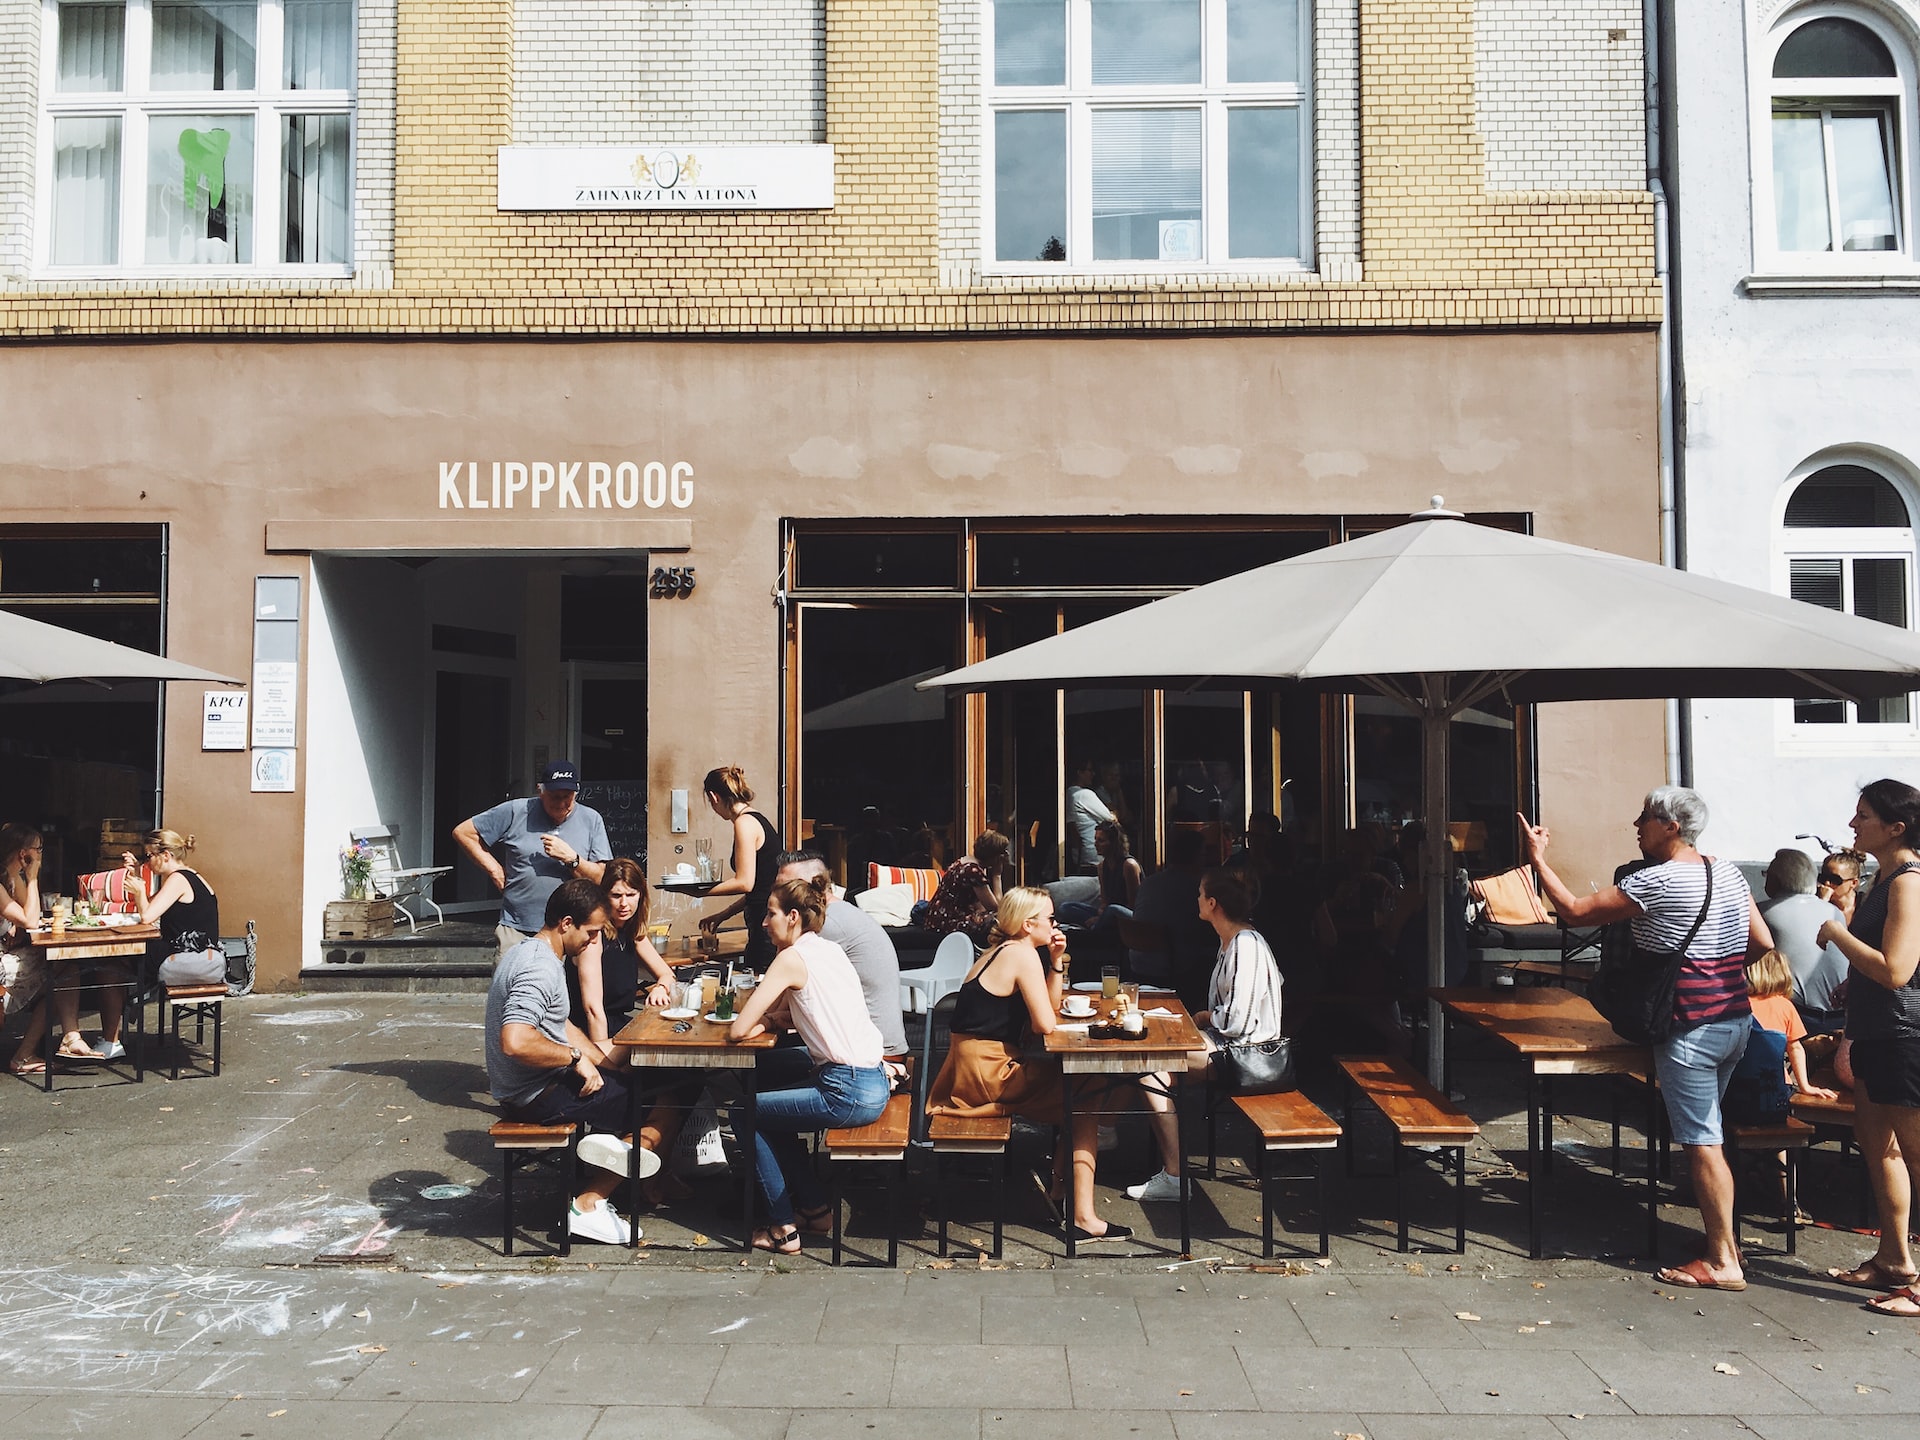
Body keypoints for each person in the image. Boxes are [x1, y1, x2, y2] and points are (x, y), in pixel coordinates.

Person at [1521, 785, 1772, 1293]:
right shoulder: (1726, 870)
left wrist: (1536, 857)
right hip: (1734, 1021)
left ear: (1671, 827)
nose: (1637, 826)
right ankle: (1723, 1240)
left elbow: (1572, 910)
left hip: (1689, 1029)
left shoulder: (1656, 881)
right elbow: (1763, 942)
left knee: (1703, 1144)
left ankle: (1723, 1260)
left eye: (1644, 819)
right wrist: (1716, 972)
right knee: (1711, 1135)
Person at [926, 887, 1131, 1244]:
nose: (1055, 923)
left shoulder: (1007, 951)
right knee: (1086, 1091)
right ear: (1027, 924)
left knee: (1082, 1088)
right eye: (1050, 918)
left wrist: (1055, 960)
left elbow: (1046, 1009)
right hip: (989, 1073)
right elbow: (1045, 1025)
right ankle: (1081, 1215)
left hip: (974, 1067)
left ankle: (1060, 1192)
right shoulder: (1020, 955)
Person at [485, 877, 655, 1245]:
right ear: (566, 924)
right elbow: (515, 1040)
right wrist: (575, 1057)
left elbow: (560, 1023)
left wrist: (606, 1062)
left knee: (628, 1081)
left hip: (534, 1085)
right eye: (591, 932)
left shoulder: (532, 951)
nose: (594, 941)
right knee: (653, 1102)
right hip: (531, 1096)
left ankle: (609, 1156)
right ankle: (590, 1203)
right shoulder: (540, 968)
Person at [725, 875, 890, 1253]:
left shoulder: (790, 959)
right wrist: (771, 1019)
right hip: (872, 1079)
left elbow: (738, 1030)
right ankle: (815, 1209)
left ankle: (783, 1228)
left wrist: (762, 1020)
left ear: (793, 916)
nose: (764, 923)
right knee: (768, 1094)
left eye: (770, 914)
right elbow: (784, 1014)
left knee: (743, 1112)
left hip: (845, 1090)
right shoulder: (828, 950)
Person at [1813, 779, 1920, 1314]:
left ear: (1896, 827)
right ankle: (1895, 1259)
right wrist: (1855, 973)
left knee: (1914, 1154)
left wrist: (1837, 934)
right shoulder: (1886, 877)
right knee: (1879, 1148)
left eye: (1863, 815)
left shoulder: (1907, 882)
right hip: (1877, 1031)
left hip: (1904, 1036)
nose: (1853, 824)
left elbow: (1898, 971)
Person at [1128, 865, 1285, 1202]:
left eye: (1200, 894)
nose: (1196, 899)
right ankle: (1166, 1168)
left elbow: (1238, 1022)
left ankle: (1173, 1175)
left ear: (1213, 903)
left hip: (1248, 1054)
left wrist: (1203, 1016)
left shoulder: (1246, 944)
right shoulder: (1231, 942)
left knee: (1149, 1063)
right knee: (1153, 1065)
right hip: (1233, 1047)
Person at [454, 761, 610, 954]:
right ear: (540, 791)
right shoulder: (517, 811)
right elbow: (464, 832)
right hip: (518, 927)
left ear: (576, 792)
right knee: (512, 981)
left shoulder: (591, 819)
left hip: (572, 930)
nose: (561, 804)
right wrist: (494, 870)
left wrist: (572, 859)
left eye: (567, 797)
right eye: (554, 797)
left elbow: (600, 878)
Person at [773, 850, 909, 1060]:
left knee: (763, 1066)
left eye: (787, 887)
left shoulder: (827, 925)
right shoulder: (838, 913)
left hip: (871, 1058)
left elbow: (783, 991)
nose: (778, 895)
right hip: (857, 1047)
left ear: (813, 886)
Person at [696, 765, 782, 971]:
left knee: (758, 989)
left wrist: (697, 891)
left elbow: (745, 882)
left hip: (764, 925)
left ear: (714, 797)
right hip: (764, 920)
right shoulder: (756, 819)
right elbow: (760, 886)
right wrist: (722, 915)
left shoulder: (744, 823)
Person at [1757, 847, 1849, 1034]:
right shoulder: (1834, 911)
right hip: (1841, 1014)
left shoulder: (1764, 912)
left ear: (1775, 879)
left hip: (1798, 1015)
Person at [1126, 827, 1216, 999]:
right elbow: (1201, 930)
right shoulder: (1194, 889)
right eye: (1204, 855)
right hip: (1173, 968)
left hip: (1137, 964)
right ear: (1196, 857)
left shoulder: (1149, 882)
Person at [1, 824, 49, 1076]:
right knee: (58, 971)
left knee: (62, 972)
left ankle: (26, 1054)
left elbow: (33, 915)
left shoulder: (10, 878)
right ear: (24, 854)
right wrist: (33, 878)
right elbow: (31, 921)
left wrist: (26, 880)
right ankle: (23, 1055)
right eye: (38, 849)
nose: (41, 854)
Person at [925, 830, 1011, 947]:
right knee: (998, 920)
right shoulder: (973, 871)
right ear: (996, 856)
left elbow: (979, 904)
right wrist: (997, 875)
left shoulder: (964, 861)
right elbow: (995, 907)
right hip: (946, 922)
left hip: (937, 919)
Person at [1065, 760, 1115, 875]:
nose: (1093, 774)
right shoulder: (1083, 794)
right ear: (1079, 773)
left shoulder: (1068, 794)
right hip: (1095, 854)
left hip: (1080, 855)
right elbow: (1111, 820)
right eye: (1089, 770)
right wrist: (1113, 814)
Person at [1819, 848, 1866, 924]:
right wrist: (1822, 903)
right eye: (1823, 878)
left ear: (1853, 883)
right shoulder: (1816, 902)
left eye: (1835, 879)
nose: (1827, 883)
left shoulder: (1866, 905)